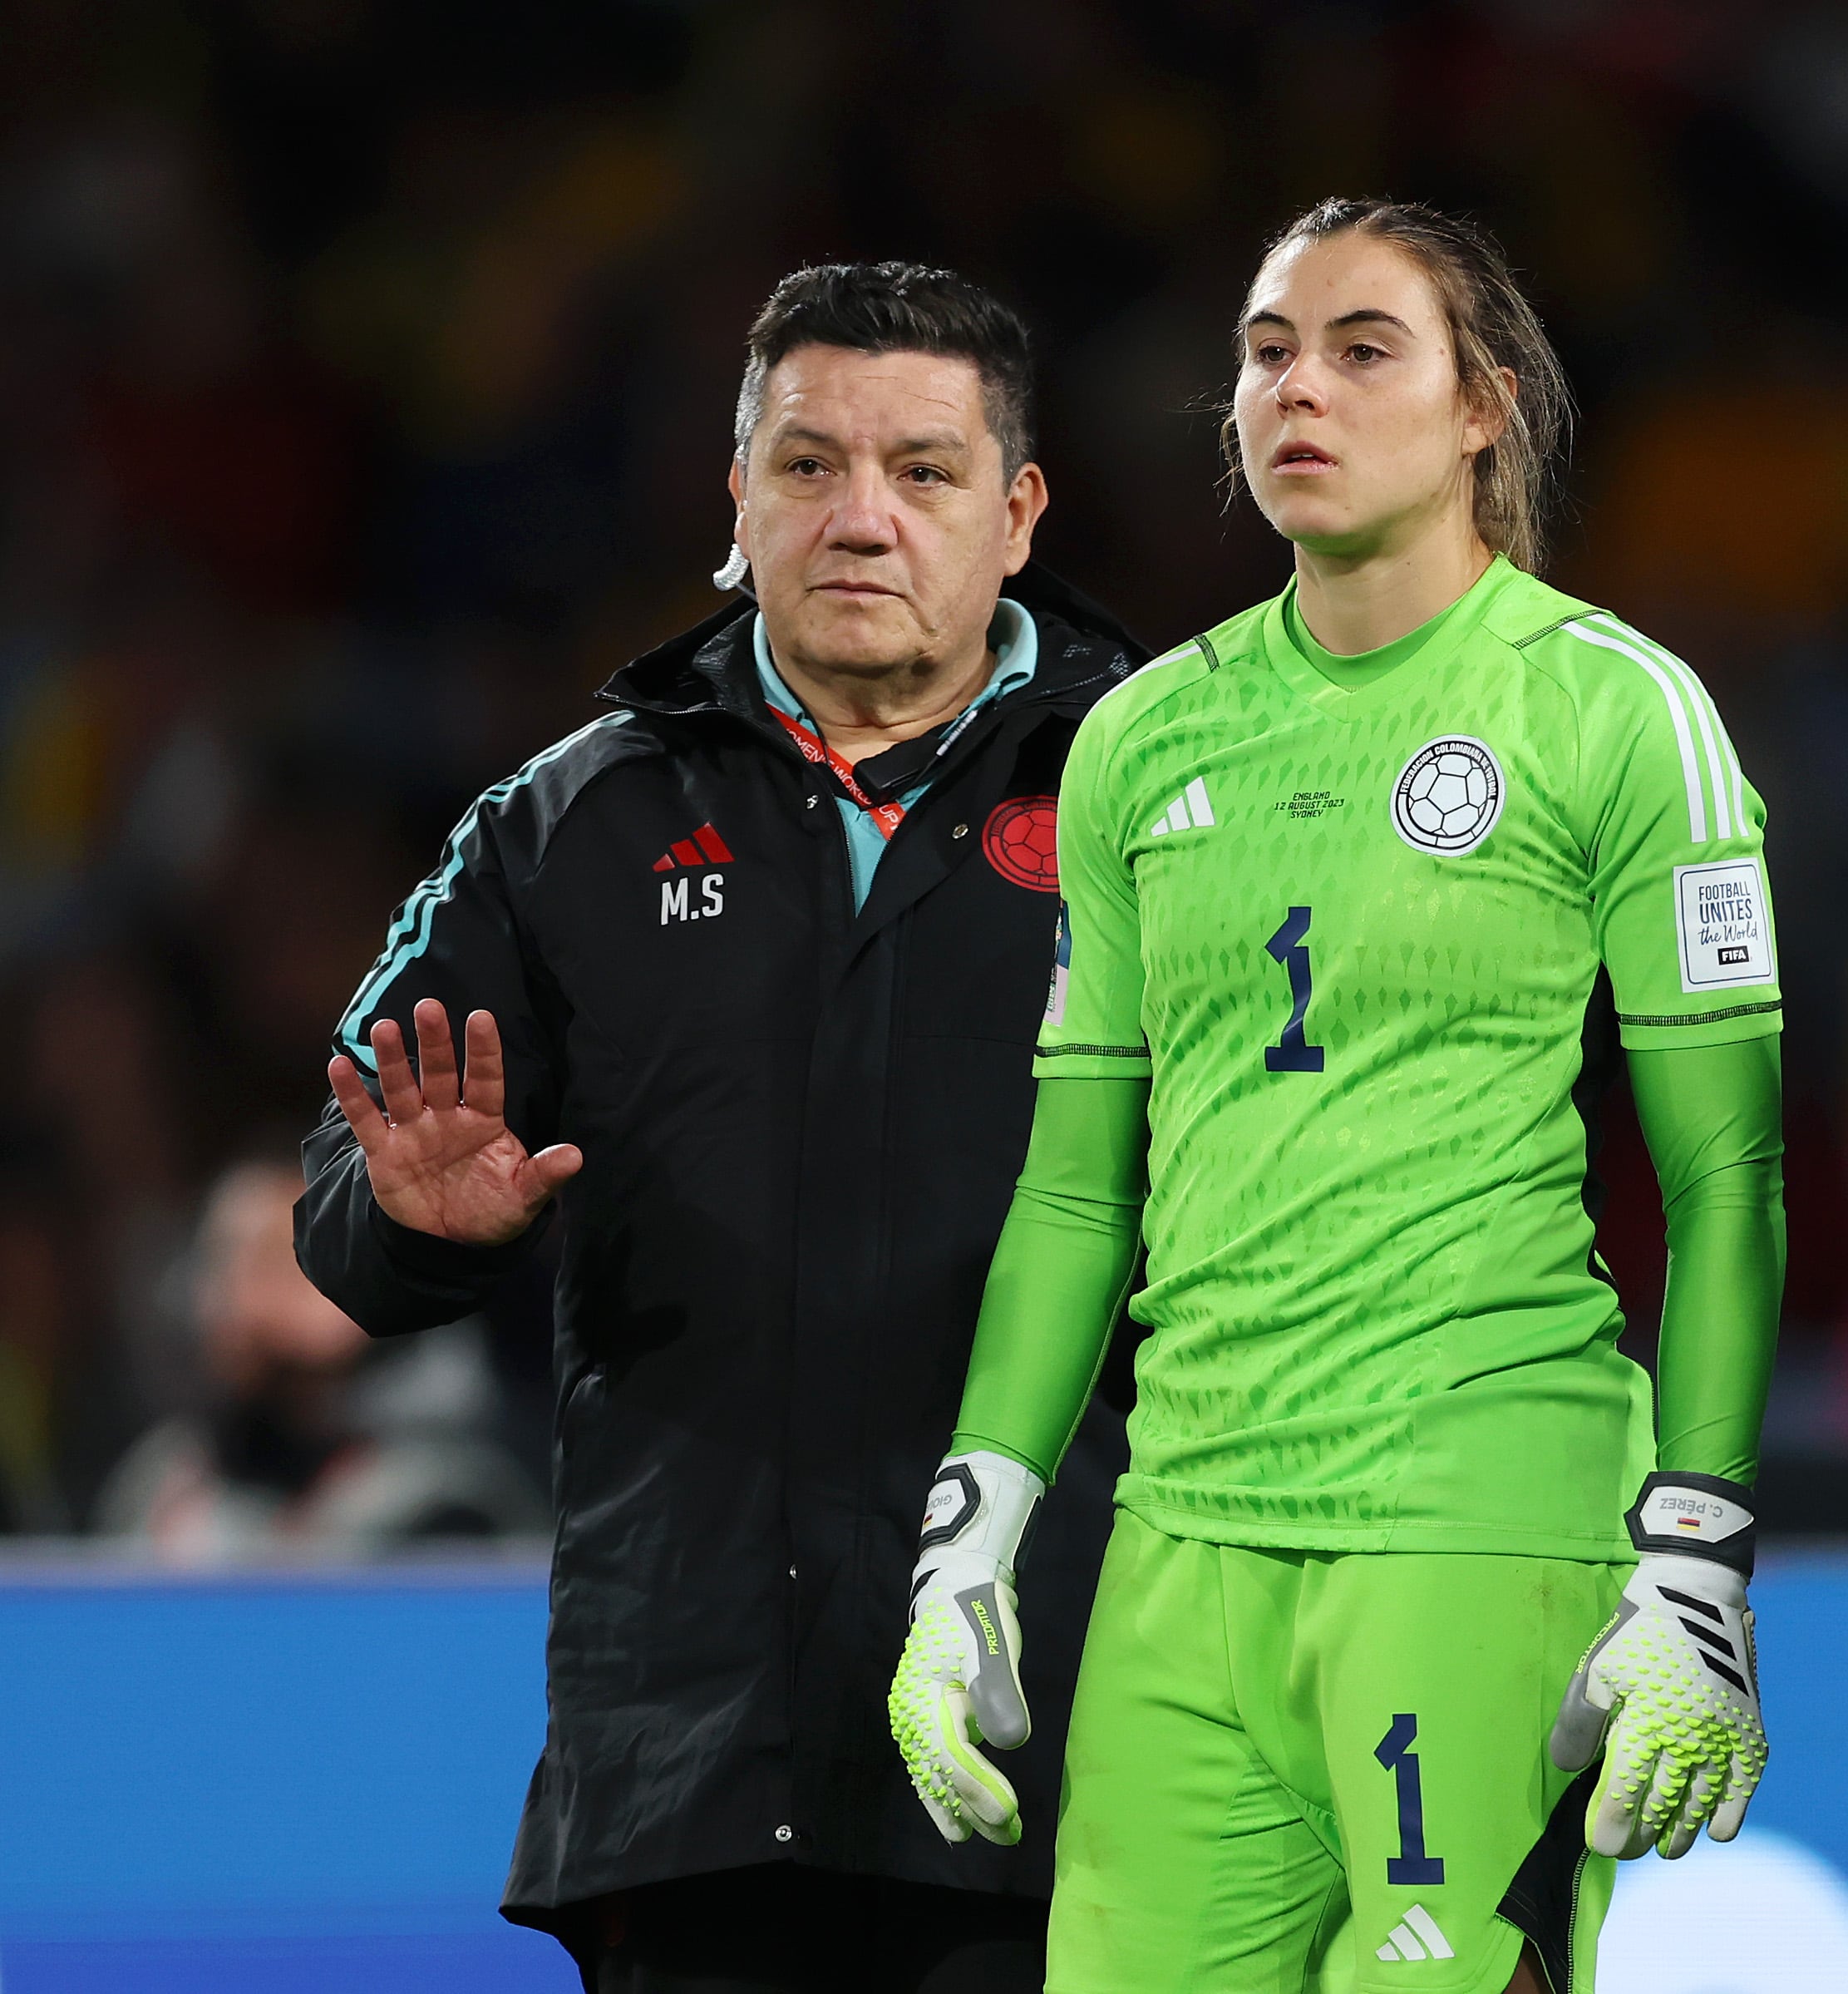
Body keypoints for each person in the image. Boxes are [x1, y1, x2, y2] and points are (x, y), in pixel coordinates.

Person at [886, 198, 1787, 1994]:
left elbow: (1728, 1175)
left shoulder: (1614, 712)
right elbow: (1076, 1193)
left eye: (1362, 347)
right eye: (1265, 349)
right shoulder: (1142, 736)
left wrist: (1693, 1550)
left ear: (1483, 409)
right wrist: (969, 1528)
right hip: (1183, 1545)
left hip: (1475, 1521)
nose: (1297, 386)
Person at [294, 262, 1144, 1992]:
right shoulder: (565, 822)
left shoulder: (1169, 796)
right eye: (808, 464)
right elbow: (345, 1205)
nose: (860, 517)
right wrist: (416, 1220)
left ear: (1018, 510)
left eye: (922, 470)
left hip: (1075, 1750)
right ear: (735, 499)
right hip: (688, 1775)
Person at [98, 1152, 542, 1559]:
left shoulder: (440, 1497)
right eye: (219, 1261)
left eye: (272, 1260)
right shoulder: (162, 1487)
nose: (230, 1295)